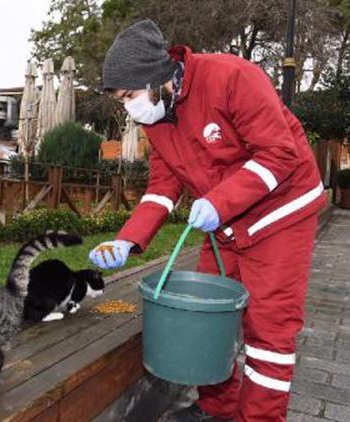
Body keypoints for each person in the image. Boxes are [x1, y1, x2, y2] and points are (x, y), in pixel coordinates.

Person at [89, 19, 326, 422]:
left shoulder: (233, 77)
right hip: (225, 225)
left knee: (269, 333)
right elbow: (162, 188)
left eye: (130, 95)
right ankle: (217, 410)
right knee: (208, 316)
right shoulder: (156, 119)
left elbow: (279, 154)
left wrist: (220, 202)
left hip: (280, 216)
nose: (130, 108)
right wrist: (128, 240)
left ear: (157, 77)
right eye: (121, 101)